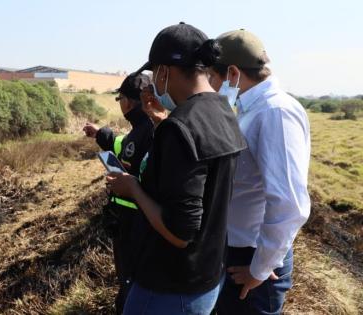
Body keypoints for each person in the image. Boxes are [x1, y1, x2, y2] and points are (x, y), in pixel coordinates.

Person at [106, 22, 246, 315]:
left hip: (170, 285)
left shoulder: (181, 126)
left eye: (153, 74)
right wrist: (161, 123)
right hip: (207, 274)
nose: (153, 82)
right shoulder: (224, 111)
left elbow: (180, 231)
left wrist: (132, 188)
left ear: (164, 72)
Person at [208, 29, 311, 315]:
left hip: (252, 257)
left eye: (212, 78)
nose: (211, 86)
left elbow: (289, 204)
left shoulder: (275, 112)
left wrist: (260, 269)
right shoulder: (248, 109)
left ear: (232, 73)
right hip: (237, 250)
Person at [83, 73, 154, 314]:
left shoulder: (148, 131)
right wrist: (100, 133)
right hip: (133, 223)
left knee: (130, 283)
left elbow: (129, 153)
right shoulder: (142, 129)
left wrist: (126, 184)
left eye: (120, 98)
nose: (120, 104)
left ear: (130, 101)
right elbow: (121, 144)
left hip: (135, 226)